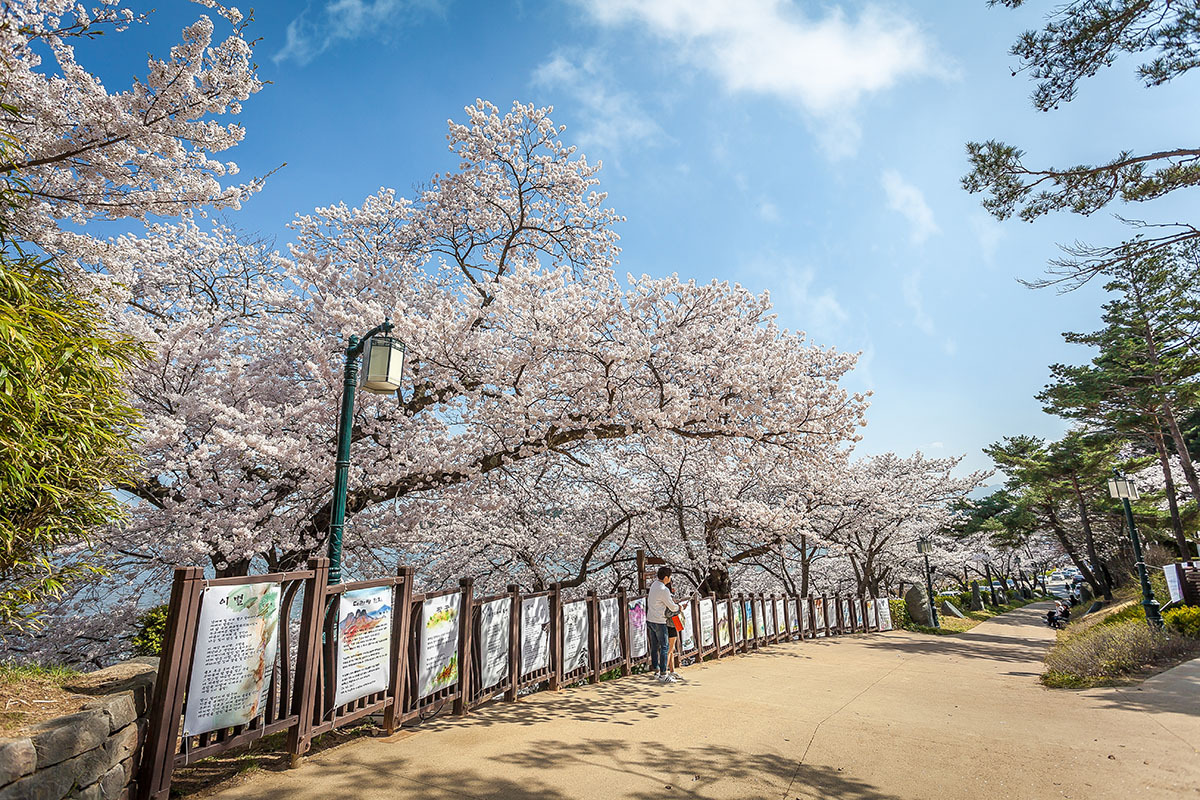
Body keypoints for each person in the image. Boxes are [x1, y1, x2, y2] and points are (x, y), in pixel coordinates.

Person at [646, 566, 681, 683]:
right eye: (669, 577)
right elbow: (672, 606)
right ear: (666, 577)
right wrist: (679, 607)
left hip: (650, 619)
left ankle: (656, 671)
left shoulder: (654, 585)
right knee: (665, 647)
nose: (670, 579)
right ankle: (663, 674)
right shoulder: (664, 590)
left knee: (655, 646)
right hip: (660, 621)